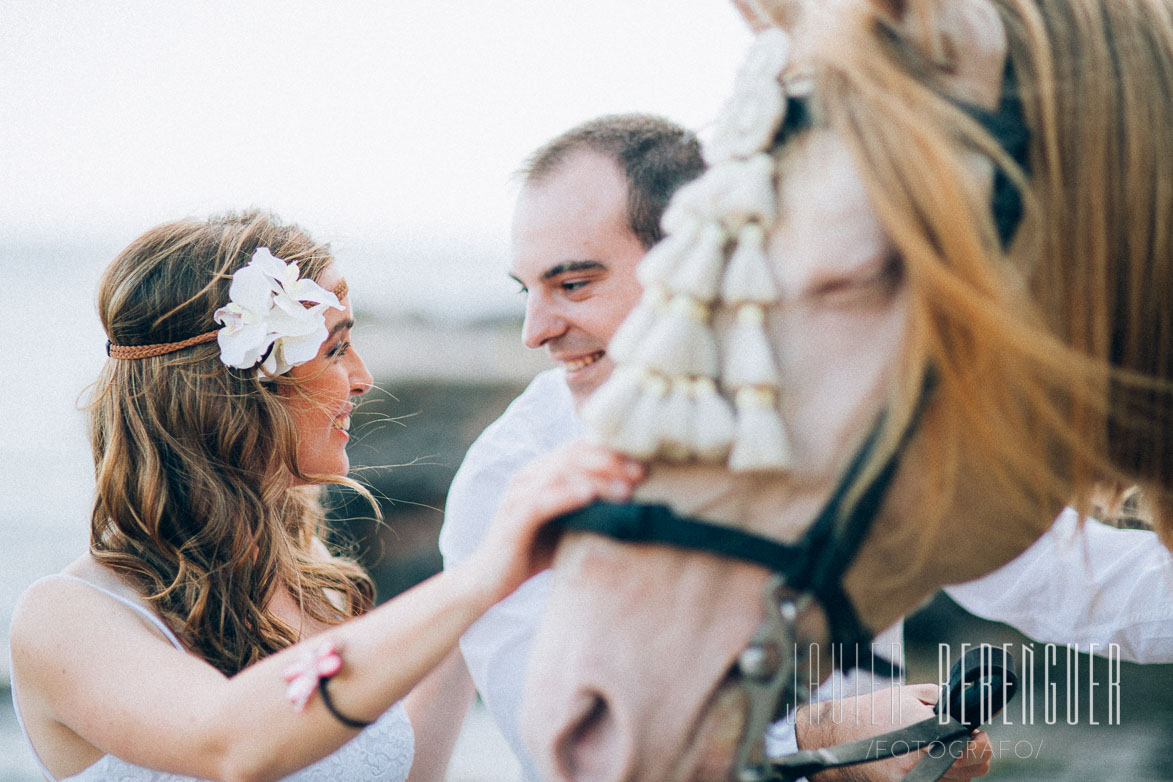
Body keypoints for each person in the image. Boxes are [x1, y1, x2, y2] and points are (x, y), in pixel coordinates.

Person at [439, 114, 1173, 779]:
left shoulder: (834, 420)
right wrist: (833, 736)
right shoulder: (509, 477)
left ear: (699, 262)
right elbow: (574, 756)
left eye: (572, 284)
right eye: (526, 291)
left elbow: (1077, 583)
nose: (535, 329)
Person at [6, 210, 644, 782]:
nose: (364, 379)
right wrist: (476, 580)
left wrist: (478, 554)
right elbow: (230, 744)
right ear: (238, 389)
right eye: (337, 349)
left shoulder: (322, 589)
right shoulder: (68, 618)